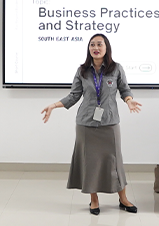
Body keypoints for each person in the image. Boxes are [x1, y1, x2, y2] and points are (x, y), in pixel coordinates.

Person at [41, 34, 142, 215]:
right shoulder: (82, 71)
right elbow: (74, 95)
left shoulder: (116, 68)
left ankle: (123, 199)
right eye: (92, 45)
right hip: (86, 124)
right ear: (89, 49)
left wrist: (129, 100)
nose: (95, 47)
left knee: (115, 161)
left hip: (109, 122)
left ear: (106, 47)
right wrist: (54, 105)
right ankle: (93, 200)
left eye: (99, 44)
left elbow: (124, 89)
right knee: (90, 162)